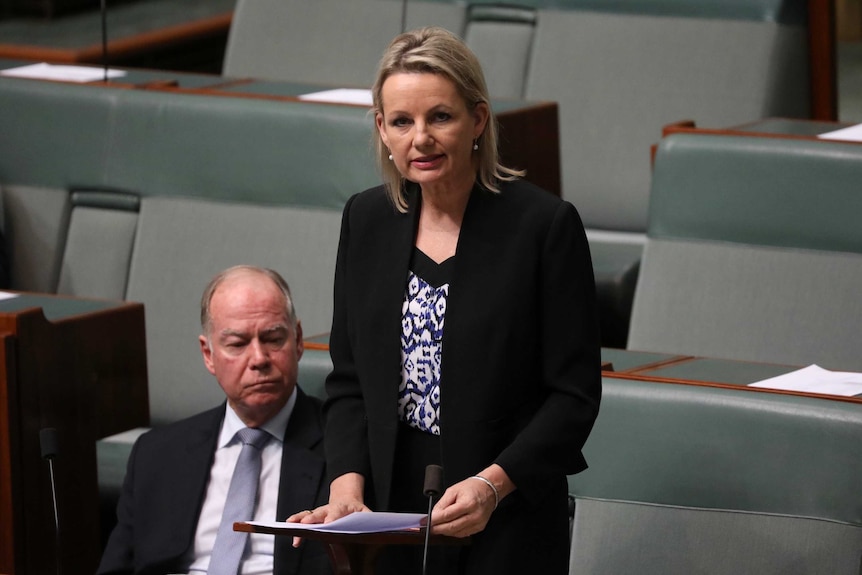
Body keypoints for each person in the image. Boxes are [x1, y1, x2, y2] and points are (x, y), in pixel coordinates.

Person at [290, 27, 601, 574]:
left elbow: (573, 397)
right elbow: (349, 380)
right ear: (382, 129)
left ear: (478, 120)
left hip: (503, 511)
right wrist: (346, 487)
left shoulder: (544, 226)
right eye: (402, 122)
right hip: (389, 508)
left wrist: (491, 486)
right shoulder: (365, 220)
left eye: (440, 117)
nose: (421, 139)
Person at [98, 265, 331, 575]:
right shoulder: (157, 454)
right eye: (237, 344)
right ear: (208, 354)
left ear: (298, 340)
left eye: (273, 339)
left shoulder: (343, 446)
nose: (259, 359)